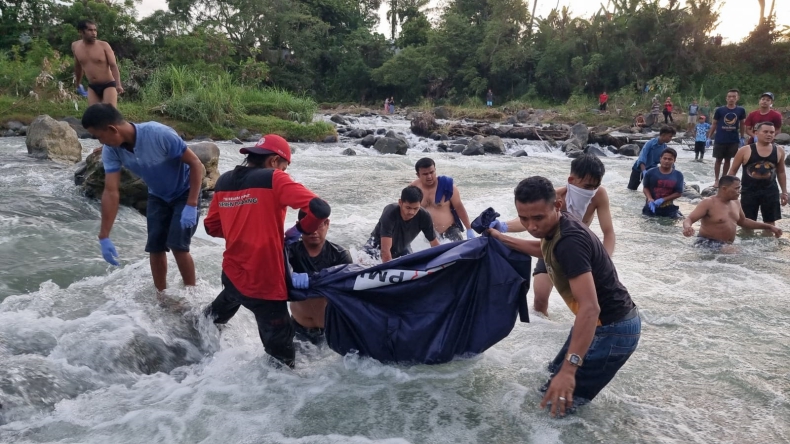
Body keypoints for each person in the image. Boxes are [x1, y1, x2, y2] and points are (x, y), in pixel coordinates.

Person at [487, 176, 639, 417]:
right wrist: (502, 238)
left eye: (538, 218)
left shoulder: (570, 242)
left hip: (611, 329)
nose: (532, 226)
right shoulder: (558, 227)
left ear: (557, 206)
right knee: (550, 390)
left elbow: (590, 308)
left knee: (557, 407)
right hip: (601, 325)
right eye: (524, 218)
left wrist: (570, 369)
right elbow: (545, 250)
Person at [203, 135, 331, 369]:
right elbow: (320, 209)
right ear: (274, 161)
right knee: (282, 361)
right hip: (264, 283)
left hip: (232, 274)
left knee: (216, 314)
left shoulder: (224, 182)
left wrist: (241, 231)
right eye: (285, 166)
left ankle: (195, 337)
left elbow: (211, 227)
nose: (285, 171)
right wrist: (299, 229)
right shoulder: (275, 179)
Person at [81, 104, 204, 291]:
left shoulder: (159, 134)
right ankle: (161, 296)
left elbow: (195, 163)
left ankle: (191, 292)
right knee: (155, 248)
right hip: (157, 195)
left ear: (113, 129)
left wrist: (192, 203)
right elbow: (111, 191)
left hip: (184, 192)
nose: (100, 142)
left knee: (178, 246)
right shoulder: (112, 150)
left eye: (99, 136)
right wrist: (104, 235)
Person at [490, 154, 616, 317]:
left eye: (595, 186)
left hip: (580, 253)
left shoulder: (599, 195)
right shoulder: (555, 197)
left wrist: (605, 259)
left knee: (589, 304)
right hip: (550, 249)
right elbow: (530, 219)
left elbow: (609, 232)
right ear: (571, 180)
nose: (591, 191)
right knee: (539, 300)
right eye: (587, 186)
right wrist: (503, 226)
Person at [287, 210, 352, 345]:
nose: (314, 231)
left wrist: (313, 278)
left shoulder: (340, 255)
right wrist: (289, 275)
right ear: (299, 226)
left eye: (319, 225)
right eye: (309, 226)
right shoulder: (289, 252)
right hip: (298, 328)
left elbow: (349, 291)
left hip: (332, 329)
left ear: (327, 224)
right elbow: (270, 273)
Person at [683, 175, 782, 251]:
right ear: (724, 189)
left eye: (739, 188)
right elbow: (689, 219)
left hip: (726, 245)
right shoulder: (708, 203)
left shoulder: (736, 202)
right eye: (736, 188)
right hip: (706, 243)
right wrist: (687, 227)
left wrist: (769, 227)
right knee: (737, 254)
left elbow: (743, 221)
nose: (739, 191)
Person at [727, 122, 788, 228]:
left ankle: (768, 244)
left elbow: (781, 172)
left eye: (772, 132)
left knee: (770, 224)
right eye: (765, 132)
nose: (769, 134)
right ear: (756, 133)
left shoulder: (779, 150)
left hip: (770, 192)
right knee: (746, 224)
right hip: (749, 191)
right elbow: (732, 172)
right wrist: (729, 191)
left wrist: (784, 192)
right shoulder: (744, 150)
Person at [364, 186, 440, 263]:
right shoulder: (390, 213)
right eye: (408, 207)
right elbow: (385, 251)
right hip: (376, 248)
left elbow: (435, 244)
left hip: (402, 249)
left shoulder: (424, 216)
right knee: (362, 263)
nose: (411, 212)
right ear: (400, 202)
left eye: (415, 208)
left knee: (413, 264)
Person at [410, 158, 475, 242]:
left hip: (450, 230)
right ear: (418, 175)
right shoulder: (414, 188)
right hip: (429, 233)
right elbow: (407, 209)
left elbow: (459, 207)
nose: (429, 176)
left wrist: (469, 228)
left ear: (435, 170)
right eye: (425, 174)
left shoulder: (447, 187)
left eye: (431, 172)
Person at [72, 20, 123, 107]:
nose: (94, 33)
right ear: (81, 32)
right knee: (94, 115)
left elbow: (113, 65)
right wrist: (77, 83)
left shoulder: (104, 45)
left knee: (109, 113)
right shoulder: (75, 46)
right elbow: (78, 66)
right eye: (90, 30)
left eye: (95, 30)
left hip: (108, 84)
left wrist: (118, 84)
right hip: (92, 86)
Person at [707, 89, 747, 188]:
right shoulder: (719, 110)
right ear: (726, 98)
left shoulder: (740, 110)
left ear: (737, 98)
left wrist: (742, 137)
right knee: (718, 160)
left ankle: (723, 179)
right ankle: (716, 179)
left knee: (728, 160)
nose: (731, 99)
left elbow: (742, 124)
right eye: (729, 97)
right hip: (720, 138)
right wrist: (709, 137)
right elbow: (714, 124)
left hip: (733, 139)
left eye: (734, 97)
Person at [627, 126, 677, 190]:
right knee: (631, 189)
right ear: (663, 135)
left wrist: (673, 173)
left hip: (651, 171)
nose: (671, 139)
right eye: (670, 136)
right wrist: (644, 171)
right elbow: (642, 158)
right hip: (639, 170)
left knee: (652, 190)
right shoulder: (650, 144)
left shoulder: (664, 147)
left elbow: (668, 162)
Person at [642, 148, 684, 218]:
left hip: (668, 208)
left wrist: (663, 199)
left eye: (670, 159)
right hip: (651, 206)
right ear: (660, 159)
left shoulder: (678, 175)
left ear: (674, 160)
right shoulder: (650, 173)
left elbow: (678, 193)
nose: (667, 161)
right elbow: (646, 188)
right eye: (665, 158)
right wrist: (649, 198)